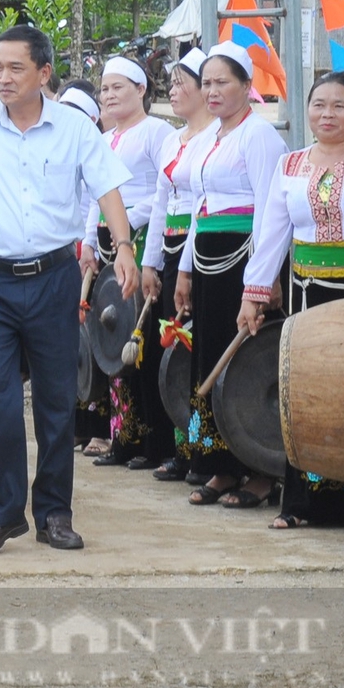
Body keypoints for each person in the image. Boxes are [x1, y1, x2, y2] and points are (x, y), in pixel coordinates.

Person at [0, 26, 138, 557]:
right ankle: (1, 515)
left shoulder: (74, 128)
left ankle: (54, 513)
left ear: (43, 73)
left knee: (54, 401)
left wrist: (126, 246)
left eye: (14, 68)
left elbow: (107, 187)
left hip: (53, 279)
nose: (1, 77)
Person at [239, 73, 344, 529]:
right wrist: (254, 293)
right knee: (306, 393)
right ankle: (301, 505)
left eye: (339, 106)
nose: (327, 115)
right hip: (308, 294)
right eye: (318, 105)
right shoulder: (290, 165)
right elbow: (271, 233)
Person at [173, 41, 285, 509]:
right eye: (208, 83)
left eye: (224, 82)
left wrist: (258, 284)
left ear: (247, 86)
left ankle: (259, 472)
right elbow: (199, 209)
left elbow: (270, 212)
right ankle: (220, 464)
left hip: (242, 259)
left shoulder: (259, 137)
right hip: (205, 259)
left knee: (244, 364)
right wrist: (183, 271)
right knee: (208, 359)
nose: (213, 91)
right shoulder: (204, 142)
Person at [90, 56, 179, 471]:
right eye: (104, 89)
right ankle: (123, 438)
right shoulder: (105, 138)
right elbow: (97, 194)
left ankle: (156, 442)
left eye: (118, 87)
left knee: (139, 338)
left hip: (141, 240)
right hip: (110, 243)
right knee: (112, 339)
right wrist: (92, 239)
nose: (108, 95)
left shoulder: (157, 132)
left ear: (141, 89)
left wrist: (127, 222)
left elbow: (164, 190)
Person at [140, 49, 213, 483]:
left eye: (184, 81)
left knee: (196, 347)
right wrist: (151, 261)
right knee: (171, 345)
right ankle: (177, 445)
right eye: (172, 81)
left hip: (202, 249)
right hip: (170, 248)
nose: (175, 89)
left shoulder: (215, 138)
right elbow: (160, 202)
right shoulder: (173, 138)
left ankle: (201, 448)